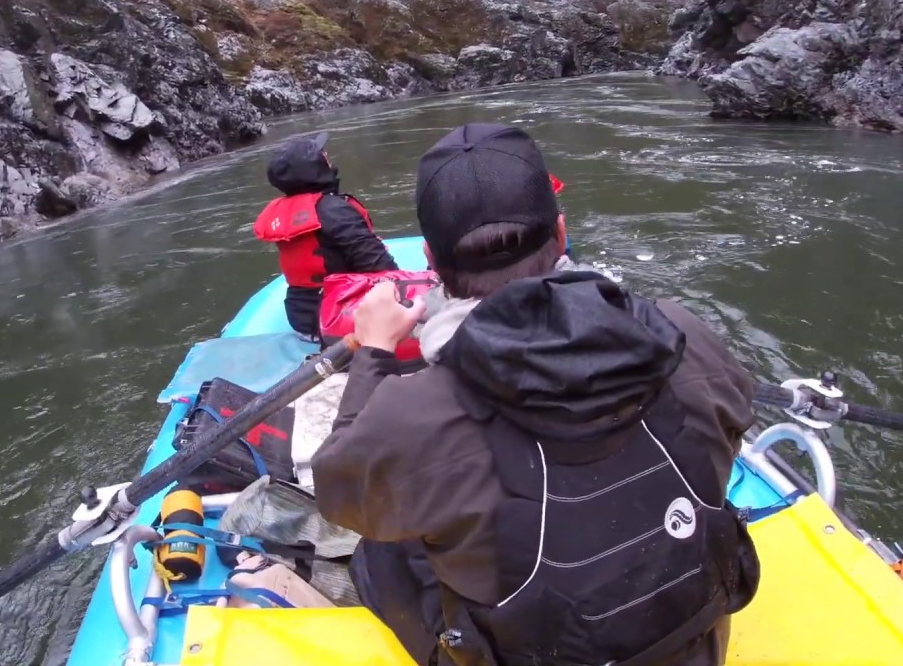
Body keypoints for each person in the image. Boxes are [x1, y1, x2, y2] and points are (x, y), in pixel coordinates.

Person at [312, 123, 760, 666]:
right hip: (696, 648)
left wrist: (375, 352)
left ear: (430, 260)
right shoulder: (681, 332)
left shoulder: (411, 417)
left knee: (380, 550)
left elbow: (341, 494)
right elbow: (733, 421)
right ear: (562, 234)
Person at [254, 132, 398, 339]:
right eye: (322, 154)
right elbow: (383, 270)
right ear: (313, 168)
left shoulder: (293, 210)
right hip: (338, 316)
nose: (328, 156)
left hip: (301, 317)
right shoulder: (334, 210)